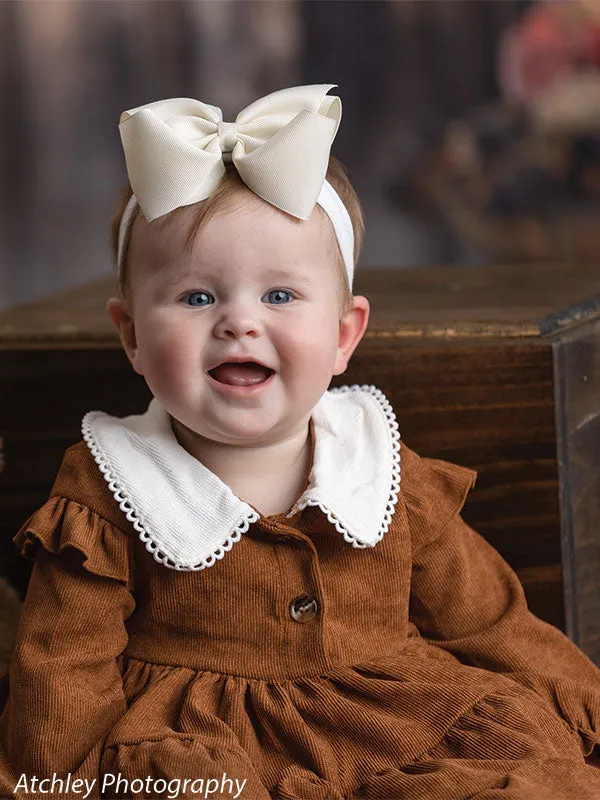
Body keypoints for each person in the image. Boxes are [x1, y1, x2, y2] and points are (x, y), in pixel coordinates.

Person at [0, 85, 599, 800]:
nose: (239, 323)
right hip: (207, 753)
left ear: (345, 335)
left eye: (280, 295)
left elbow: (487, 619)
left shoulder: (375, 463)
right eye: (198, 297)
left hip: (395, 726)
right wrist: (55, 783)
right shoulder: (111, 488)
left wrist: (576, 704)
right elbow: (62, 666)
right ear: (131, 334)